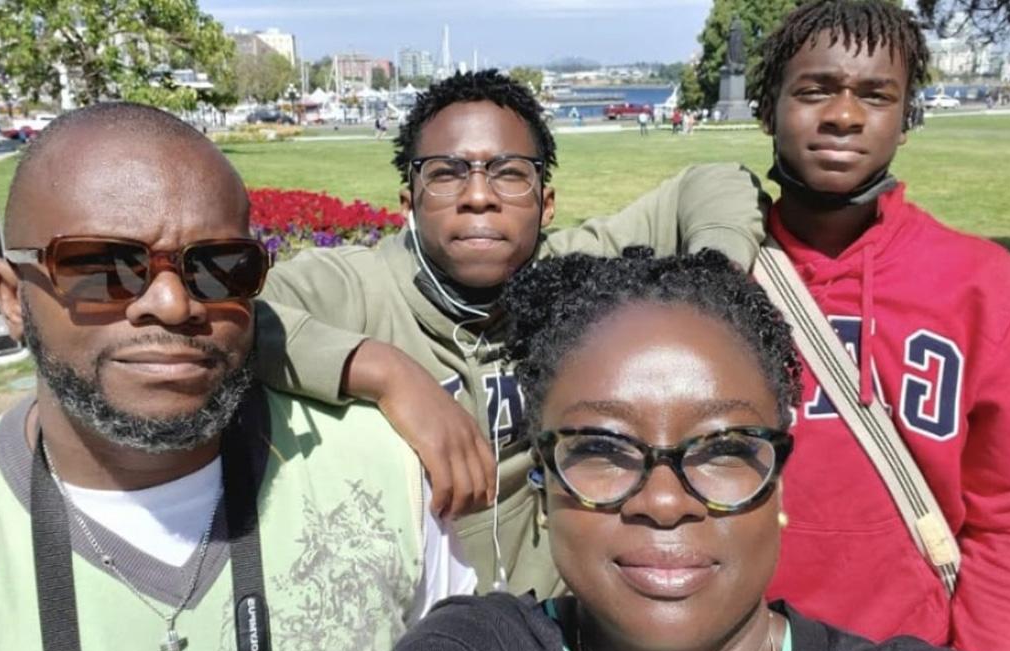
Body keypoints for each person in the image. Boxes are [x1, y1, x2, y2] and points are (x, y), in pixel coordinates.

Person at [0, 102, 474, 651]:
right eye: (105, 266)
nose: (174, 304)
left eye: (218, 267)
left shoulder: (387, 475)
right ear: (11, 297)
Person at [256, 70, 768, 597]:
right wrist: (386, 373)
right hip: (403, 617)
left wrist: (713, 287)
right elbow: (231, 321)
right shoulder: (354, 288)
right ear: (408, 202)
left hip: (548, 616)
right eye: (447, 172)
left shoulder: (567, 273)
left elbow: (717, 180)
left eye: (508, 173)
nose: (479, 196)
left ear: (545, 203)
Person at [383, 249, 1003, 651]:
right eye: (601, 448)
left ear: (779, 485)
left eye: (724, 449)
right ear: (542, 486)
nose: (663, 501)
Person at [748, 1, 1010, 651]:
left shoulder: (982, 283)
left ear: (906, 118)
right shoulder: (714, 271)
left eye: (876, 95)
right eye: (815, 89)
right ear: (767, 106)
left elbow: (1008, 514)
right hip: (734, 648)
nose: (844, 116)